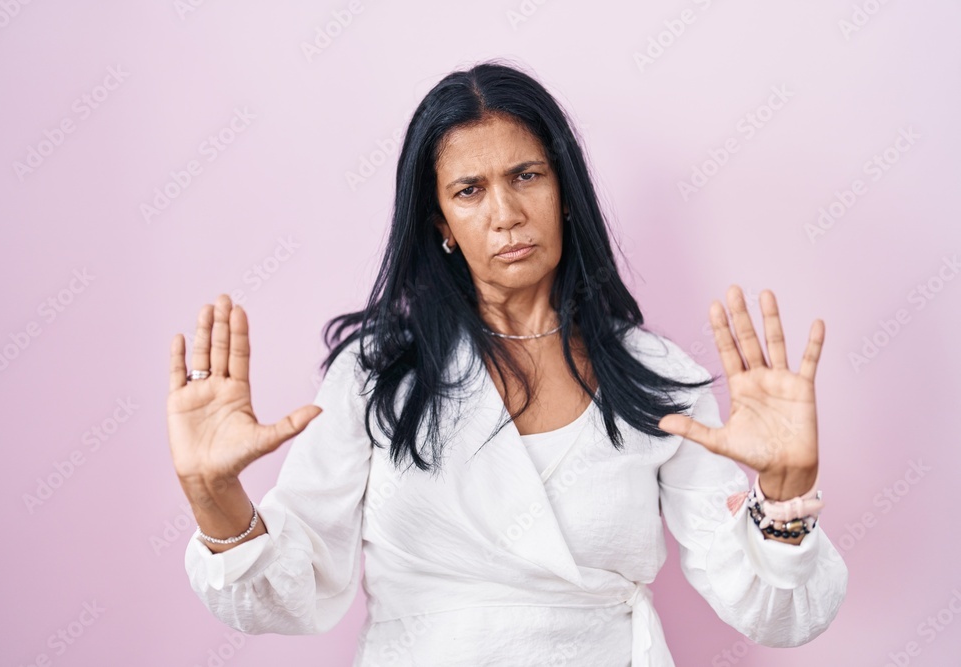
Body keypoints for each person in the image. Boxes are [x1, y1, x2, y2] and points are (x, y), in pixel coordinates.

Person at [167, 60, 848, 666]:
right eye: (469, 190)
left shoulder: (653, 376)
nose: (506, 213)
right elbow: (286, 595)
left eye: (527, 175)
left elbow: (775, 612)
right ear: (439, 223)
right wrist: (214, 496)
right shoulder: (377, 375)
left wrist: (785, 497)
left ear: (565, 191)